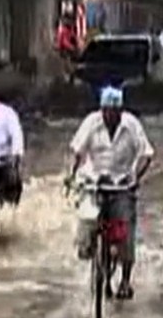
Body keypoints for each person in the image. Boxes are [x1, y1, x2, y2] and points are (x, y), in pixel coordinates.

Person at [65, 86, 154, 300]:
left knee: (124, 228)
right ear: (101, 109)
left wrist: (135, 179)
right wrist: (71, 175)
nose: (109, 116)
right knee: (86, 222)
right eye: (106, 111)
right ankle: (91, 253)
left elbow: (146, 155)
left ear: (121, 111)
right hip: (95, 181)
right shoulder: (91, 123)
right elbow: (77, 152)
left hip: (121, 183)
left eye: (114, 112)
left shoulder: (131, 125)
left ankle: (125, 280)